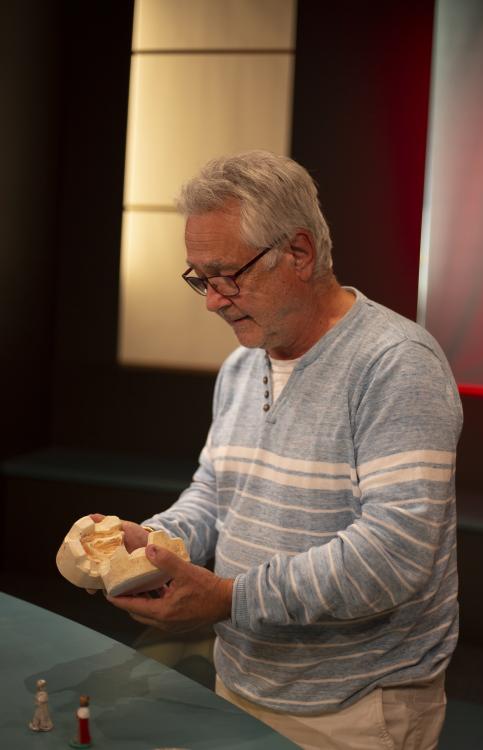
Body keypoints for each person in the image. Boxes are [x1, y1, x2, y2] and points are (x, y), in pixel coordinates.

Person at [96, 151, 462, 749]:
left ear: (299, 252)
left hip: (355, 705)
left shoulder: (396, 362)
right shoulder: (243, 364)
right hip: (242, 676)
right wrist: (155, 543)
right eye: (200, 279)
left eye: (227, 275)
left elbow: (395, 555)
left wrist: (229, 599)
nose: (213, 300)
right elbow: (216, 494)